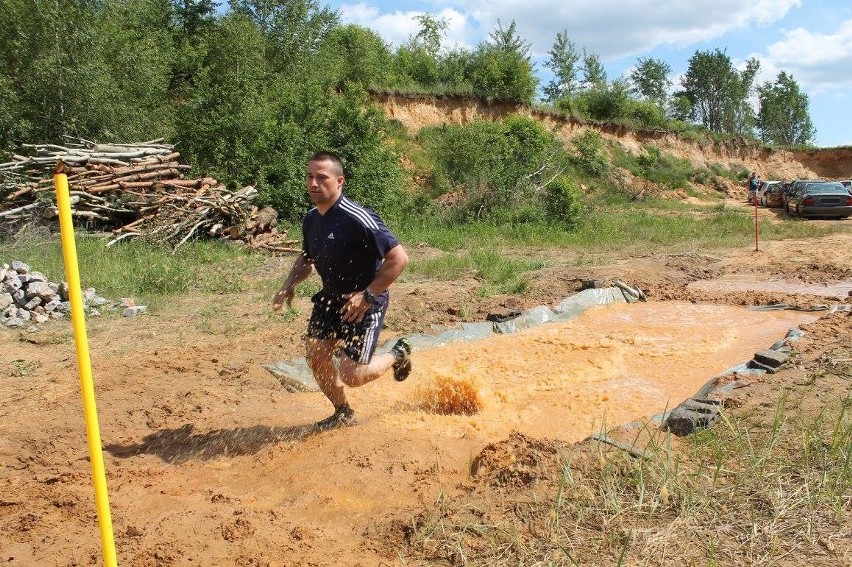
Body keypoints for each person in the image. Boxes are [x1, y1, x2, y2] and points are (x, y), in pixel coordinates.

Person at [272, 151, 411, 431]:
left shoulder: (358, 217)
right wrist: (289, 285)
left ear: (339, 181)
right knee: (316, 356)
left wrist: (367, 295)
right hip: (330, 298)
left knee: (352, 374)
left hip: (364, 301)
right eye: (309, 176)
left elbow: (399, 259)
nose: (313, 183)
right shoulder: (312, 219)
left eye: (321, 177)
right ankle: (342, 412)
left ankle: (398, 353)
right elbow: (307, 259)